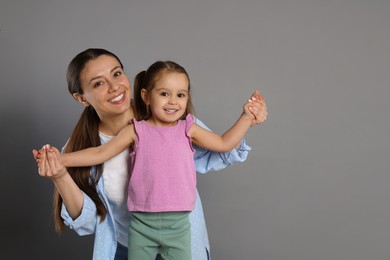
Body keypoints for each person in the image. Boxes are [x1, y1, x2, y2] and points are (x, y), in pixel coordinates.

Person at [33, 49, 267, 260]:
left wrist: (247, 119)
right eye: (98, 84)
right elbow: (87, 219)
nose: (114, 87)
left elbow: (219, 150)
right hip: (126, 246)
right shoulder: (84, 146)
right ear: (82, 98)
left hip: (181, 236)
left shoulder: (170, 119)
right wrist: (60, 171)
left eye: (116, 74)